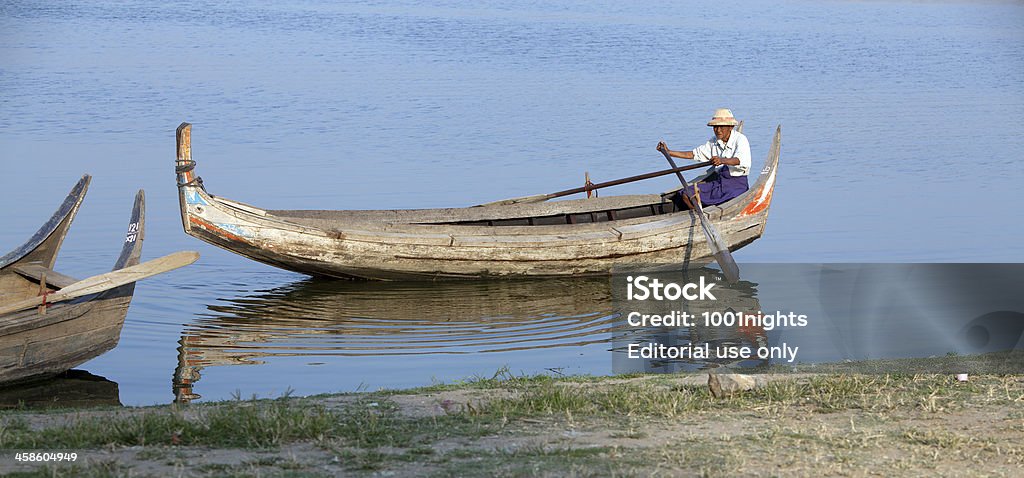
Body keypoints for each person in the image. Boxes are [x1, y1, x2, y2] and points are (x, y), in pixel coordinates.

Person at [657, 108, 751, 207]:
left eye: (721, 127)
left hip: (736, 186)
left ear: (730, 127)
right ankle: (698, 215)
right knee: (686, 193)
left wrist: (722, 160)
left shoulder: (740, 139)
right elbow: (694, 154)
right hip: (719, 183)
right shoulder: (714, 142)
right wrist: (669, 152)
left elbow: (739, 160)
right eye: (715, 127)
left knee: (730, 201)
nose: (718, 130)